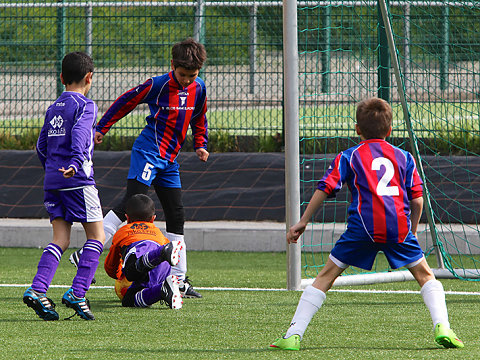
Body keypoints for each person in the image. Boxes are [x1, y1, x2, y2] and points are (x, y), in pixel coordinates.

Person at [270, 97, 464, 350]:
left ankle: (293, 336)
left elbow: (326, 188)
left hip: (362, 228)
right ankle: (443, 326)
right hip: (398, 228)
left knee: (325, 277)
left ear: (357, 129)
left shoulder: (349, 156)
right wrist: (412, 230)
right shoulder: (404, 157)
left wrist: (303, 221)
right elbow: (417, 200)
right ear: (390, 130)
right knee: (426, 276)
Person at [69, 38, 207, 298]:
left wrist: (201, 143)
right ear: (172, 66)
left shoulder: (199, 88)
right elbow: (127, 101)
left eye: (192, 75)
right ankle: (88, 252)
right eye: (182, 74)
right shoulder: (158, 84)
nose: (187, 80)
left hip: (169, 160)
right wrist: (103, 126)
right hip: (147, 152)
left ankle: (178, 279)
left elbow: (199, 116)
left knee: (176, 216)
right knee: (132, 205)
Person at [23, 51, 105, 321]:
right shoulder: (86, 105)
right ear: (89, 77)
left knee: (60, 239)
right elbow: (81, 134)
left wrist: (52, 170)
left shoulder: (53, 107)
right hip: (76, 180)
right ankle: (78, 292)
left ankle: (37, 290)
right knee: (97, 237)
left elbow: (41, 146)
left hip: (52, 181)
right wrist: (74, 162)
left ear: (61, 78)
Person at [104, 194, 183, 309]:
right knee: (129, 300)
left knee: (130, 273)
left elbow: (111, 266)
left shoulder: (122, 232)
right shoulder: (158, 233)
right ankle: (162, 289)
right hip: (163, 268)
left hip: (140, 255)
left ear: (127, 218)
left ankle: (159, 254)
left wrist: (119, 275)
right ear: (153, 219)